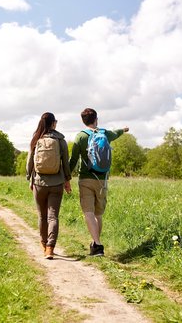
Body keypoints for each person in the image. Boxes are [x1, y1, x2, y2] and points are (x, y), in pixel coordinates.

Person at [69, 108, 129, 256]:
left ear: (83, 121)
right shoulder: (105, 134)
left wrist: (66, 177)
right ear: (96, 119)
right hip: (102, 180)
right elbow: (117, 133)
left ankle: (98, 245)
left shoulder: (80, 137)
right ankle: (96, 242)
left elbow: (73, 160)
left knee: (88, 212)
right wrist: (124, 129)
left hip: (86, 179)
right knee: (98, 214)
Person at [26, 112, 72, 259]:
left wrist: (29, 178)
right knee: (53, 217)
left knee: (42, 216)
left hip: (39, 182)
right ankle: (50, 248)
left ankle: (43, 243)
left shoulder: (36, 139)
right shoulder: (60, 140)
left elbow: (29, 163)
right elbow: (65, 162)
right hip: (57, 182)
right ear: (53, 123)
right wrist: (67, 180)